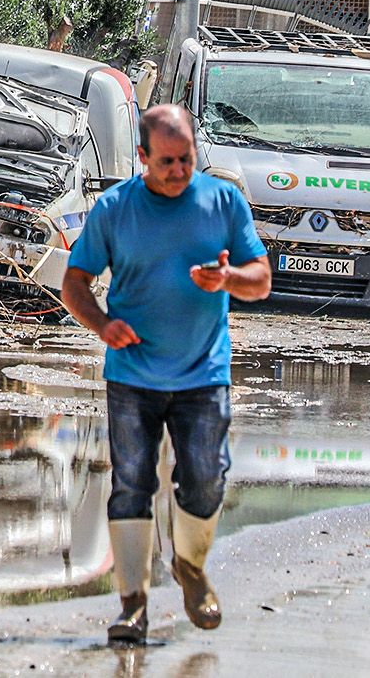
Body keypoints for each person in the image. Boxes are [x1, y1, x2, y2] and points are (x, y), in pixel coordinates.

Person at [60, 103, 270, 645]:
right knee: (131, 483)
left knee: (205, 477)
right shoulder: (115, 209)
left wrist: (227, 278)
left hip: (204, 374)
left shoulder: (222, 201)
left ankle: (191, 568)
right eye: (167, 161)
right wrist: (103, 325)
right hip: (132, 374)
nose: (179, 171)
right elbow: (75, 283)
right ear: (142, 157)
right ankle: (132, 605)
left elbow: (261, 280)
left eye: (187, 159)